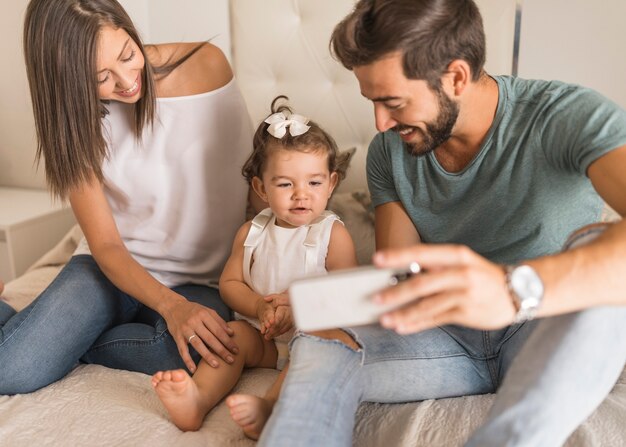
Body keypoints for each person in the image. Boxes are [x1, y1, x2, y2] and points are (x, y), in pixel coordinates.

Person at [258, 1, 626, 446]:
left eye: (392, 102)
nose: (380, 122)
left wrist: (511, 289)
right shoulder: (389, 152)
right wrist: (332, 304)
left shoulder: (565, 116)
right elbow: (398, 271)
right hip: (441, 337)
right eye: (372, 102)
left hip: (541, 327)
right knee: (322, 337)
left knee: (607, 266)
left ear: (455, 76)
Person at [0, 0, 254, 395]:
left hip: (199, 279)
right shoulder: (72, 123)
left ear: (129, 30)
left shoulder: (206, 66)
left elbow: (250, 178)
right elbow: (105, 244)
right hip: (111, 269)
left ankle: (61, 339)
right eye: (101, 77)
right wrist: (170, 308)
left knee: (190, 354)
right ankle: (48, 335)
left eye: (127, 54)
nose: (126, 80)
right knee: (12, 372)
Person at [151, 96, 358, 435]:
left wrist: (298, 303)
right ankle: (197, 399)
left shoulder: (331, 234)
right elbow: (230, 284)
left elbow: (347, 291)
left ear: (331, 183)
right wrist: (259, 305)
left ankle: (272, 409)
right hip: (261, 336)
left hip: (312, 333)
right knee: (231, 337)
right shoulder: (252, 233)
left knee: (312, 351)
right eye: (285, 184)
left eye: (314, 183)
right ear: (261, 188)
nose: (301, 194)